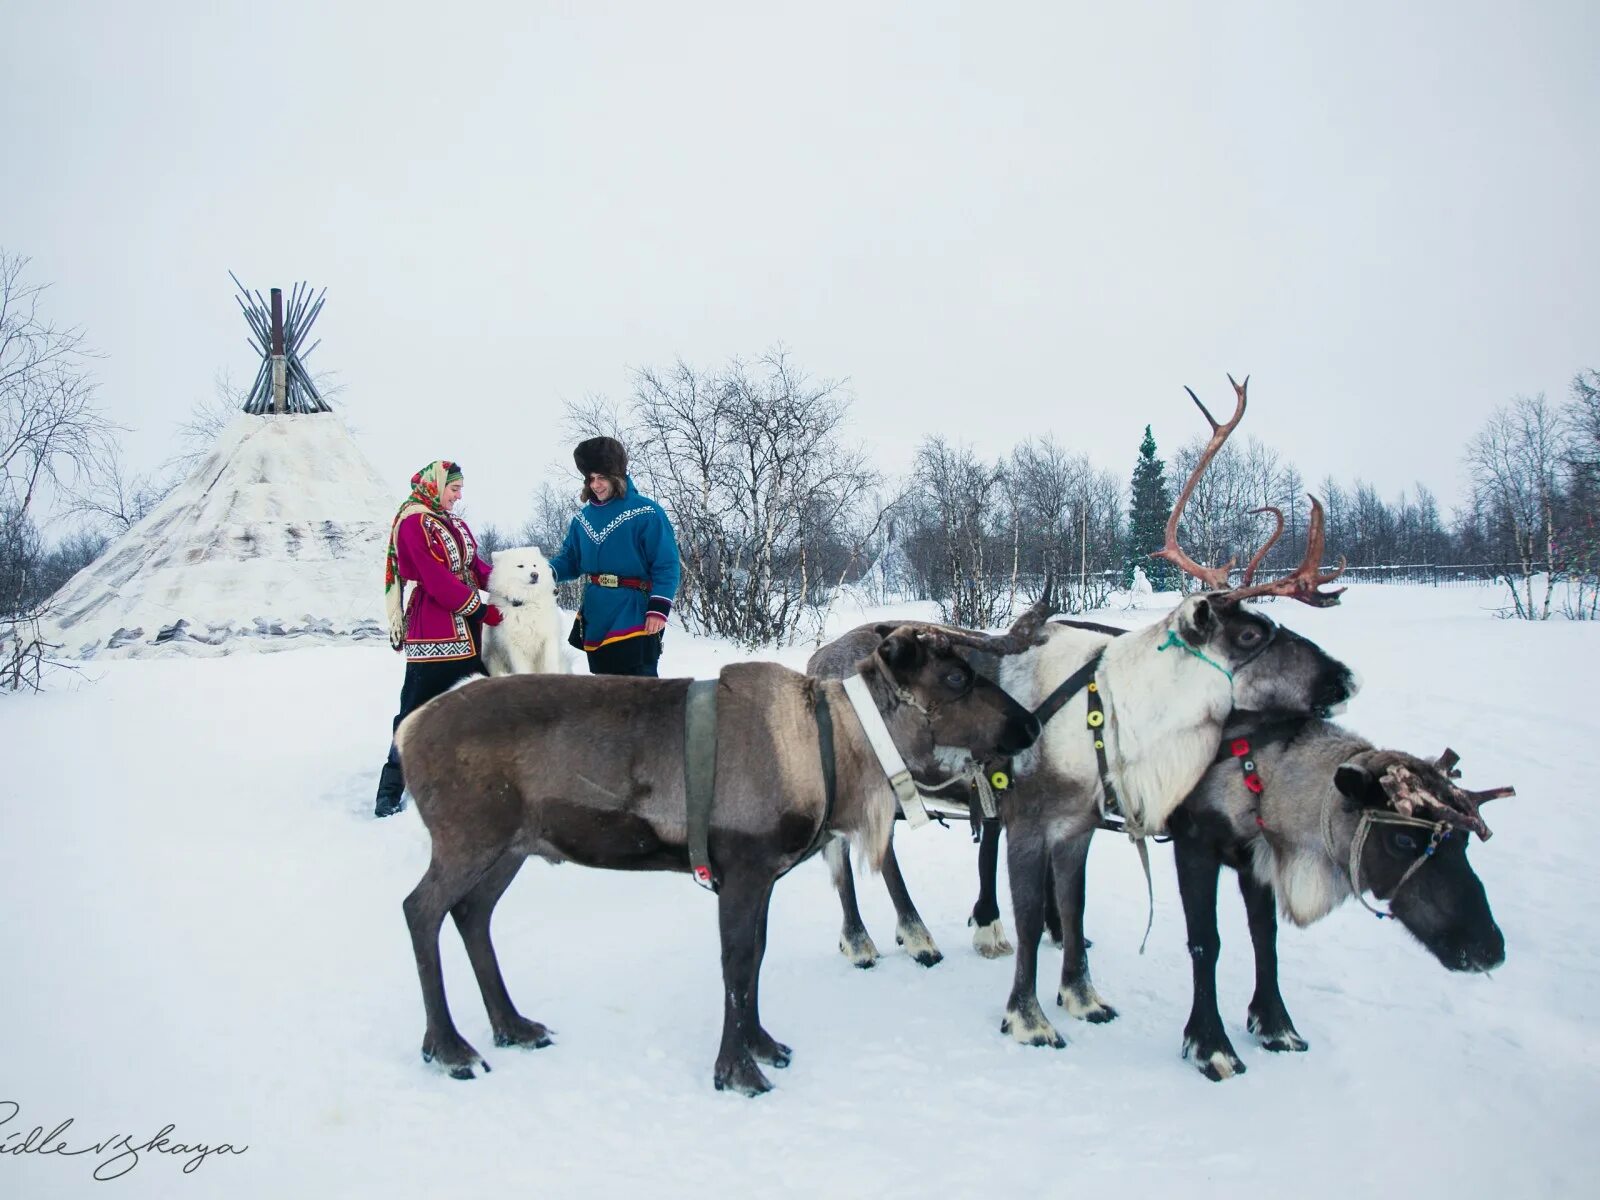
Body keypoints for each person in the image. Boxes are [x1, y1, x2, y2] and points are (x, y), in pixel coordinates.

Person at [372, 460, 502, 818]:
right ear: (436, 485)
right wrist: (480, 608)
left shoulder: (453, 523)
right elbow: (433, 577)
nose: (459, 497)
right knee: (417, 707)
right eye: (454, 489)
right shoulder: (413, 522)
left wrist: (514, 584)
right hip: (435, 628)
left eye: (460, 490)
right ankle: (391, 785)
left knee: (484, 700)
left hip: (472, 634)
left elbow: (476, 567)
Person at [549, 437, 680, 677]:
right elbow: (570, 559)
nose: (596, 485)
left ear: (616, 476)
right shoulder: (582, 520)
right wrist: (541, 573)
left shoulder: (647, 513)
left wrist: (658, 609)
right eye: (591, 478)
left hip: (634, 611)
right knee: (606, 694)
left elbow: (666, 564)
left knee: (640, 691)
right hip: (597, 613)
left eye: (602, 477)